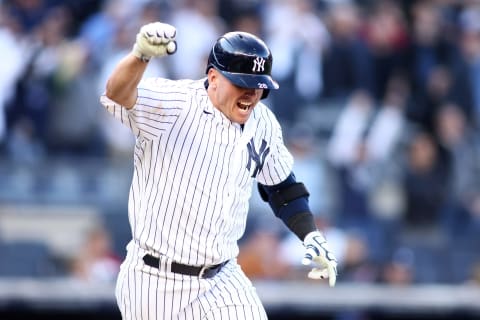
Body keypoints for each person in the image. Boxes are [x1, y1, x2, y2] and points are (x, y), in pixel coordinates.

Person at [100, 21, 337, 320]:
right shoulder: (175, 104)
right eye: (243, 84)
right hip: (155, 279)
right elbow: (116, 94)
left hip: (223, 278)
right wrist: (140, 56)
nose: (252, 94)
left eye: (259, 86)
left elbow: (281, 187)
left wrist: (311, 235)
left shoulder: (263, 123)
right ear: (213, 77)